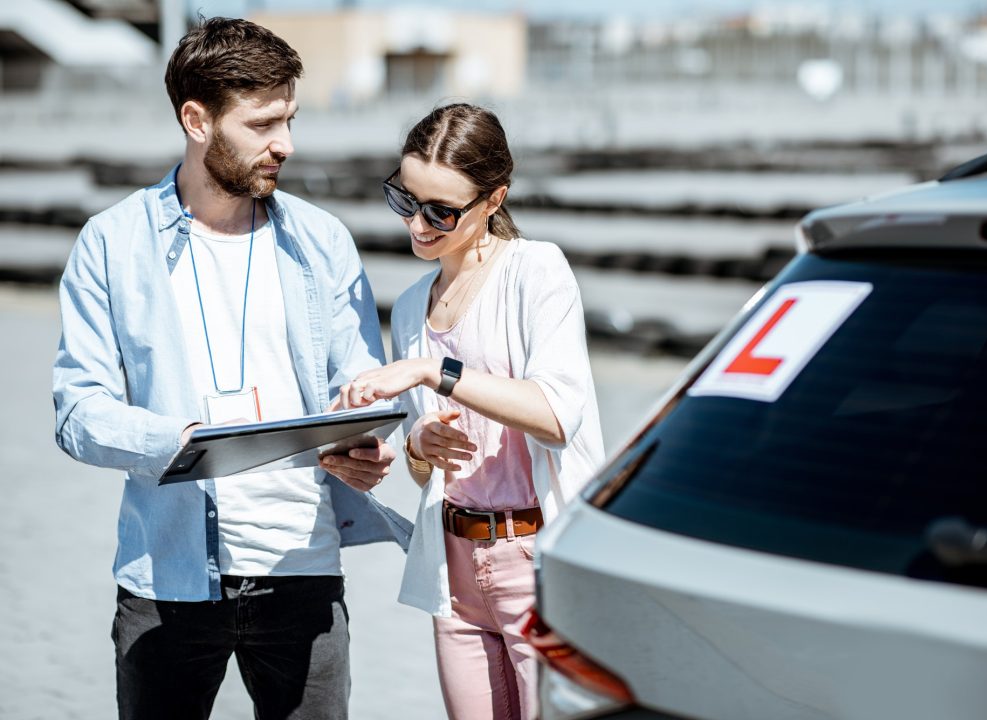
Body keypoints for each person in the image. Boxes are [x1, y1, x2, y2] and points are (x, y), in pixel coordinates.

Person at [51, 17, 410, 720]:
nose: (287, 143)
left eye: (291, 119)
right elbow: (76, 411)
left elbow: (360, 381)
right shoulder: (111, 244)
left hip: (303, 576)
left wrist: (366, 445)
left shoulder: (323, 241)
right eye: (264, 123)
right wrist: (174, 441)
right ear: (197, 119)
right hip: (166, 579)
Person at [336, 103, 605, 720]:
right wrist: (418, 447)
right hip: (454, 566)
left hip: (538, 558)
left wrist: (437, 372)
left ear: (494, 199)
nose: (419, 226)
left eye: (441, 211)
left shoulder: (536, 272)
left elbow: (559, 414)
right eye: (406, 200)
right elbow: (422, 473)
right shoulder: (410, 307)